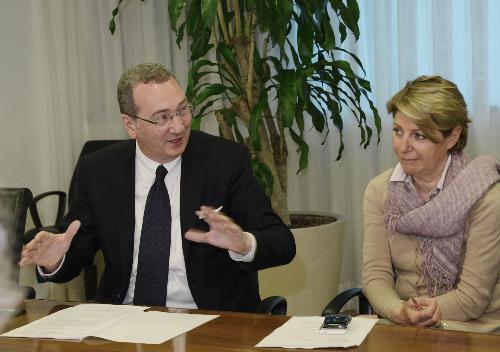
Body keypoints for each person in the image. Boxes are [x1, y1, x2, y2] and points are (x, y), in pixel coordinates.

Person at [20, 63, 296, 312]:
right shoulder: (99, 170)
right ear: (130, 125)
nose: (178, 126)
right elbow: (77, 249)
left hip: (208, 319)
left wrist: (244, 243)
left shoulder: (225, 161)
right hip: (122, 320)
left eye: (182, 110)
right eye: (162, 117)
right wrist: (54, 260)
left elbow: (282, 243)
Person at [362, 75, 500, 334]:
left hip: (473, 331)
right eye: (398, 131)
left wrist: (416, 313)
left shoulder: (487, 197)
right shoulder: (379, 191)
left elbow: (472, 298)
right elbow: (376, 275)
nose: (403, 147)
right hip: (403, 326)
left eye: (419, 136)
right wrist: (397, 311)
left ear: (452, 137)